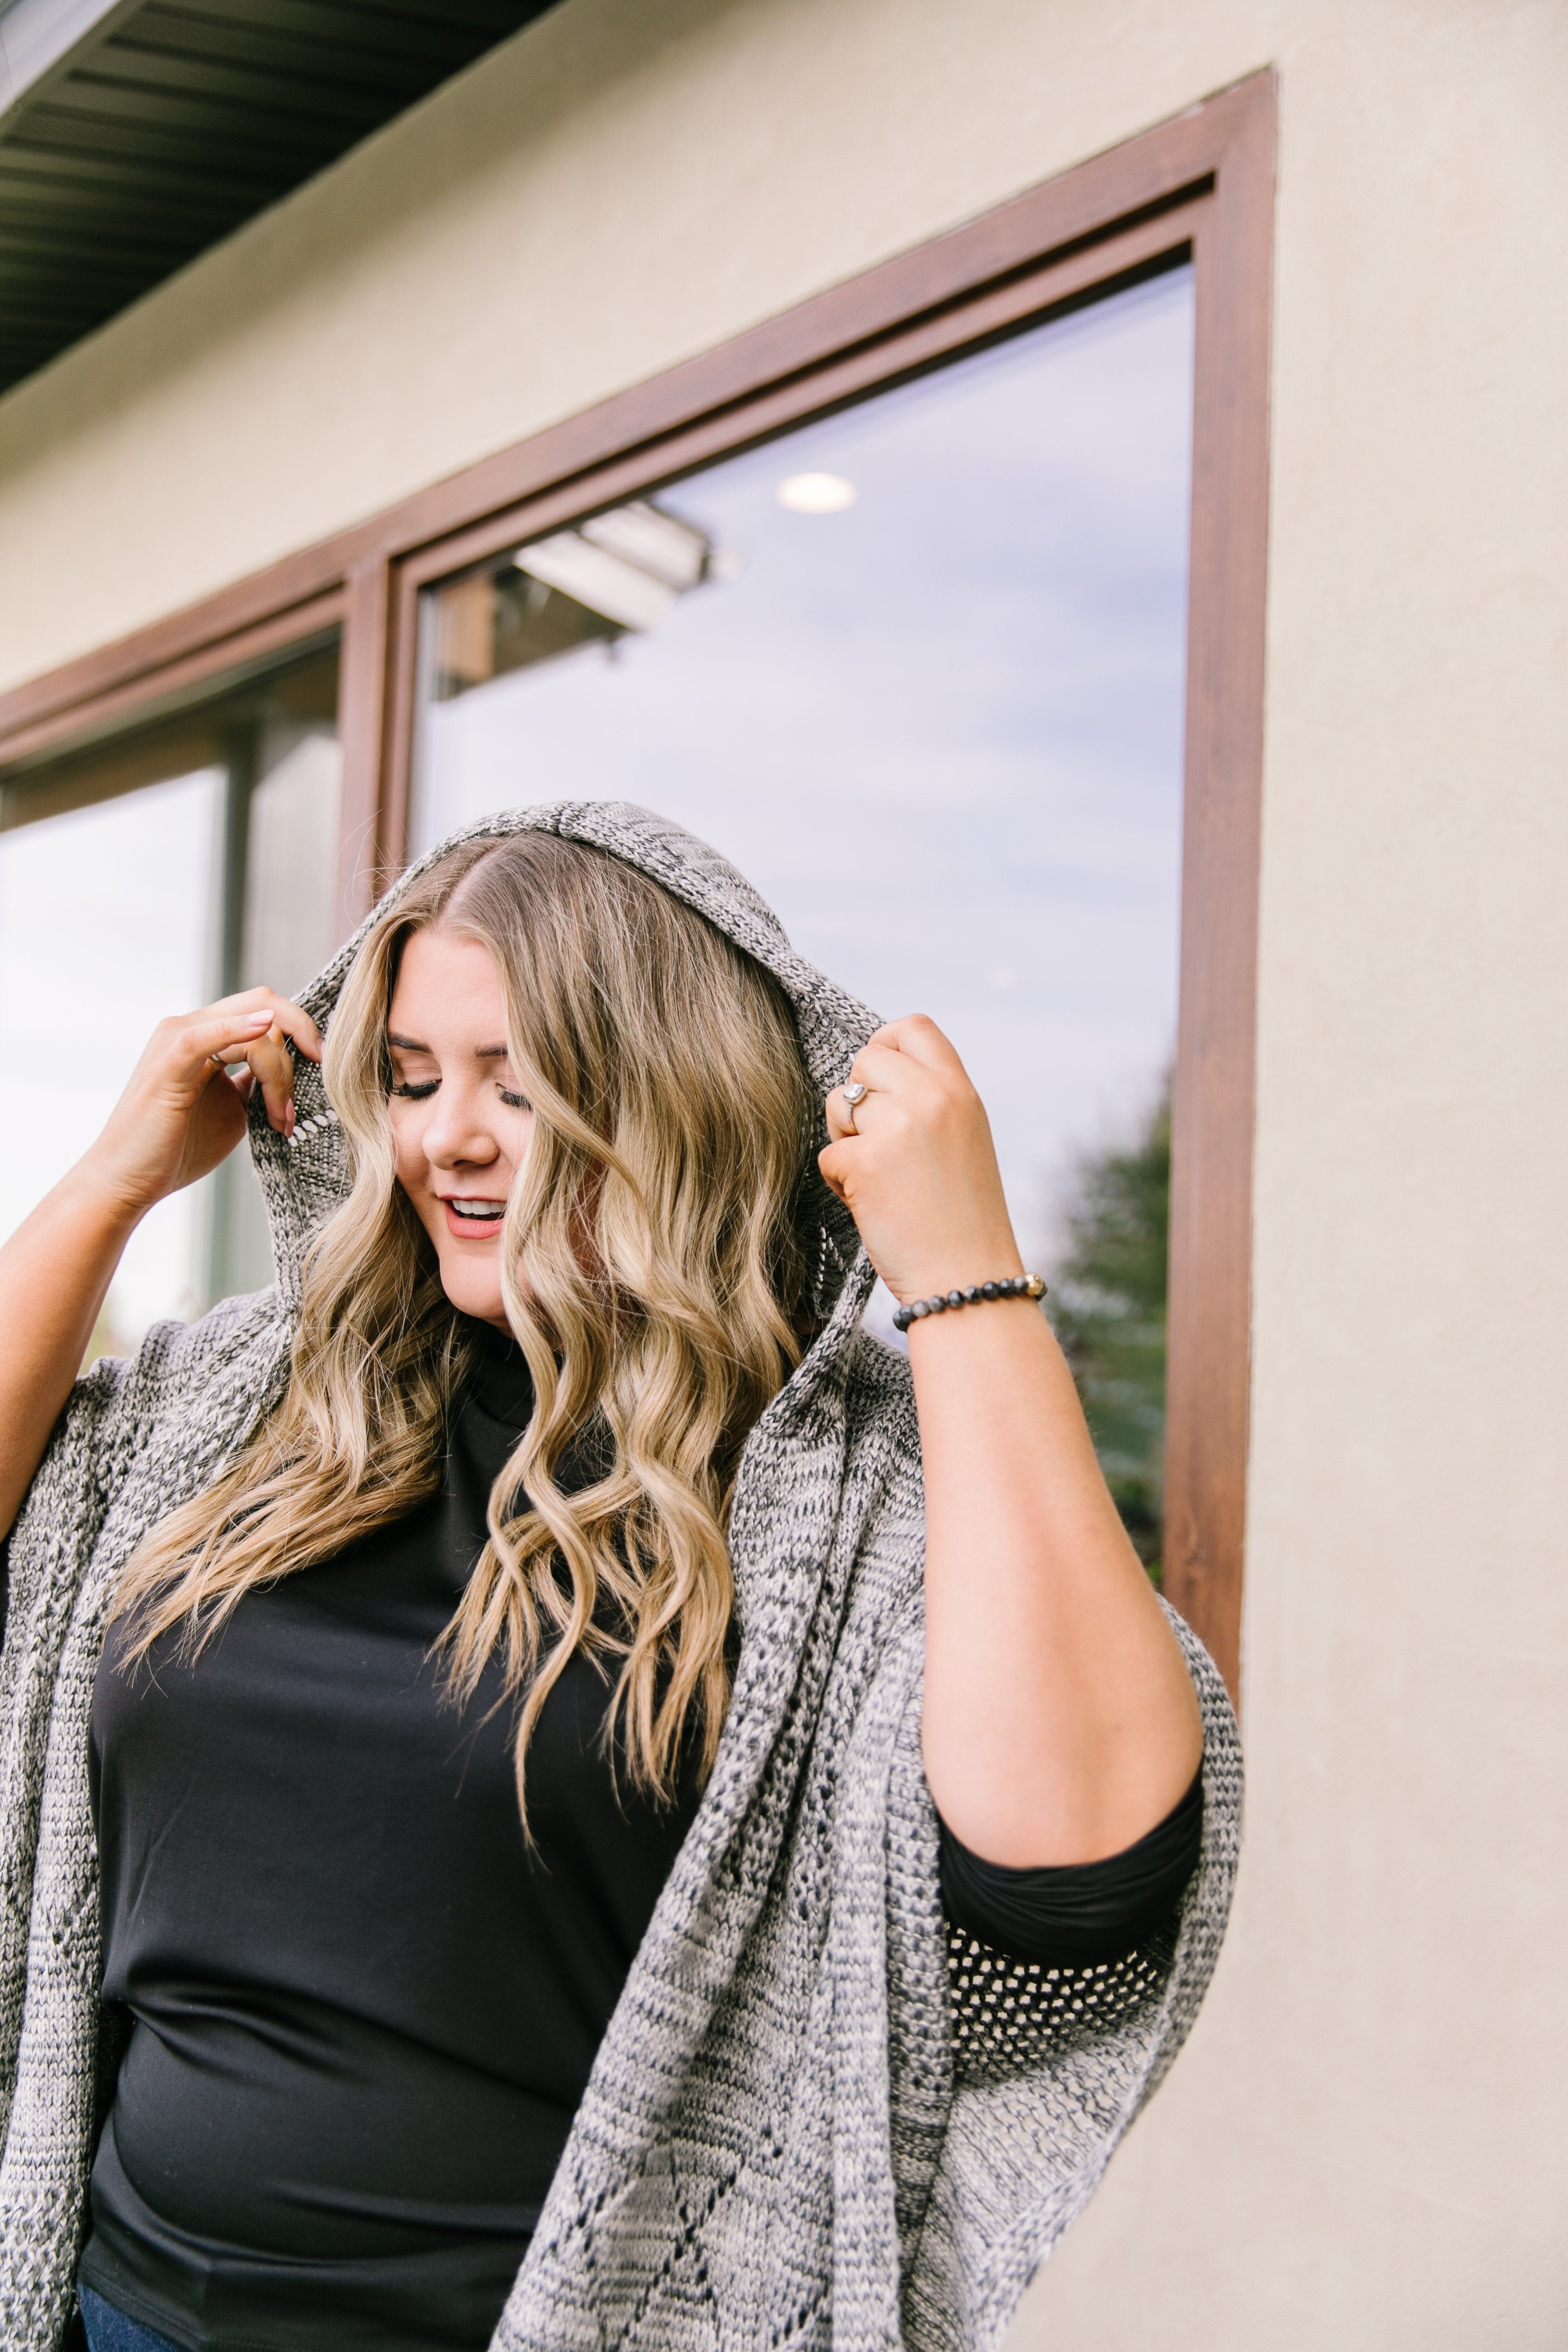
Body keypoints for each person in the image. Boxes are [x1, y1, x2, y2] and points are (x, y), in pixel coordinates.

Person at [0, 805, 1237, 2352]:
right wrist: (111, 1186)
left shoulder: (822, 1488)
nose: (450, 1135)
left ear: (674, 1096)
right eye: (414, 1077)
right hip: (109, 2310)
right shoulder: (259, 1399)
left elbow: (1077, 1894)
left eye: (523, 1086)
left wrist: (964, 1282)